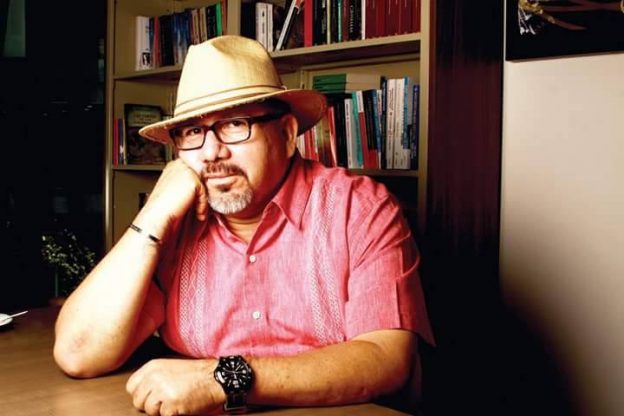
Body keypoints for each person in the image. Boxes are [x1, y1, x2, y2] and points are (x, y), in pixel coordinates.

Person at [53, 35, 434, 416]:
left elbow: (387, 359)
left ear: (286, 134)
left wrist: (222, 379)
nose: (211, 152)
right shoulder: (176, 223)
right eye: (192, 132)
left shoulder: (361, 209)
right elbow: (78, 353)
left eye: (235, 124)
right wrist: (152, 215)